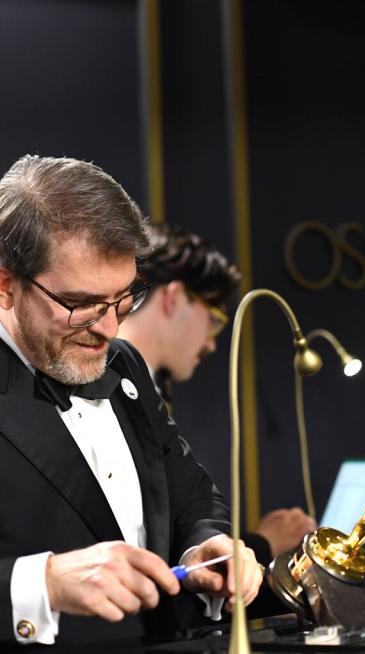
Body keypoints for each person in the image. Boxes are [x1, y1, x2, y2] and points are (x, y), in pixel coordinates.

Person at [0, 155, 262, 646]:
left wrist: (204, 546)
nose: (109, 328)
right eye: (80, 304)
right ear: (6, 285)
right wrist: (46, 584)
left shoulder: (125, 365)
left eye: (123, 299)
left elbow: (191, 494)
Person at [117, 224, 317, 565]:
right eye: (215, 319)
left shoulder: (147, 390)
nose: (211, 342)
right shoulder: (111, 386)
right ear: (173, 298)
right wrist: (262, 543)